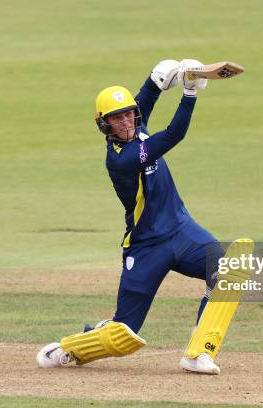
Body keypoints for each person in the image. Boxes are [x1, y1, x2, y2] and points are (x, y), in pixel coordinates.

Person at [37, 59, 240, 375]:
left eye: (130, 114)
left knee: (229, 270)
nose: (126, 122)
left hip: (182, 231)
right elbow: (174, 134)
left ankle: (200, 351)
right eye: (117, 119)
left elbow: (144, 98)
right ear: (106, 126)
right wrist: (188, 92)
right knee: (124, 332)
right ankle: (71, 347)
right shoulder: (124, 159)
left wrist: (160, 77)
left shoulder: (135, 126)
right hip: (146, 246)